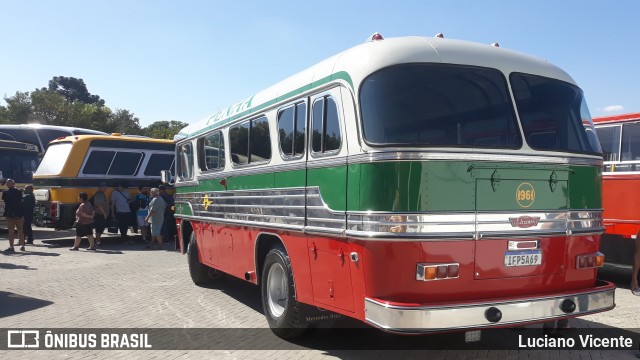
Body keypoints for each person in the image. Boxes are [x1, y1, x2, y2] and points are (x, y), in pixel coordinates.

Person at [3, 179, 25, 252]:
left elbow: (5, 201)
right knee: (20, 231)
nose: (6, 184)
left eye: (7, 183)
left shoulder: (5, 192)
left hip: (9, 215)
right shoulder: (19, 192)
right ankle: (22, 246)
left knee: (11, 231)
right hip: (19, 214)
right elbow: (21, 201)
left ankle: (11, 247)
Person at [92, 182, 109, 246]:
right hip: (99, 214)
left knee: (100, 228)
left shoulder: (102, 194)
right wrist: (104, 213)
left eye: (106, 187)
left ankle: (97, 240)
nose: (106, 188)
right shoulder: (99, 195)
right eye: (104, 187)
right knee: (99, 228)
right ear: (100, 188)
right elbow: (99, 205)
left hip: (100, 214)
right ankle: (97, 241)